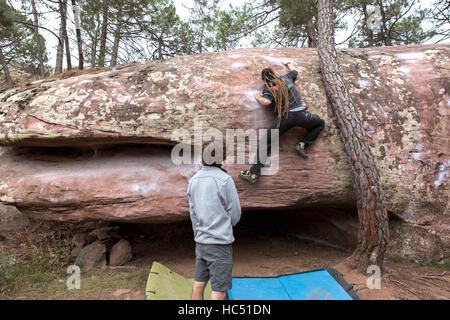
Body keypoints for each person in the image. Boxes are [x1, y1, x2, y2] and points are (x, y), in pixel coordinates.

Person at [239, 62, 325, 183]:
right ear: (274, 75)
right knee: (320, 123)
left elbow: (267, 102)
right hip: (302, 115)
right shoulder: (286, 78)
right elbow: (295, 71)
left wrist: (258, 96)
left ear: (264, 80)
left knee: (265, 142)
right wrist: (288, 63)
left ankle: (253, 174)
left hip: (285, 118)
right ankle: (302, 144)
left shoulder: (269, 87)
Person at [187, 142, 242, 300]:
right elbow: (235, 213)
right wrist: (224, 226)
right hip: (219, 243)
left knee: (199, 284)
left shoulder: (193, 180)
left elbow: (193, 214)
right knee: (220, 290)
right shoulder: (225, 180)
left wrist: (199, 232)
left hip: (201, 242)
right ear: (222, 158)